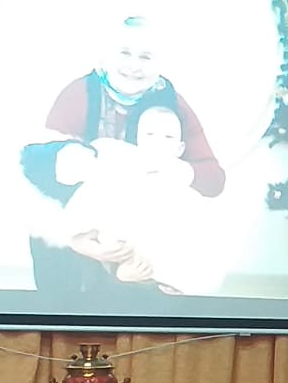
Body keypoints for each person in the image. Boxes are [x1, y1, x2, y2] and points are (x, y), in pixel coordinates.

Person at [21, 15, 227, 295]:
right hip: (80, 218)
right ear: (106, 55)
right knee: (58, 275)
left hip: (137, 228)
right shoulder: (79, 94)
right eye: (124, 53)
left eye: (145, 57)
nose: (134, 66)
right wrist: (80, 241)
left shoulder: (172, 103)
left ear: (160, 62)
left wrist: (177, 171)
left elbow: (214, 181)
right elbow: (38, 172)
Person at [58, 103, 218, 295]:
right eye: (149, 135)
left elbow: (193, 236)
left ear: (179, 148)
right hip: (117, 261)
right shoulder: (116, 172)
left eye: (168, 137)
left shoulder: (183, 187)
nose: (158, 142)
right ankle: (122, 274)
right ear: (137, 140)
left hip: (161, 271)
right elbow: (83, 214)